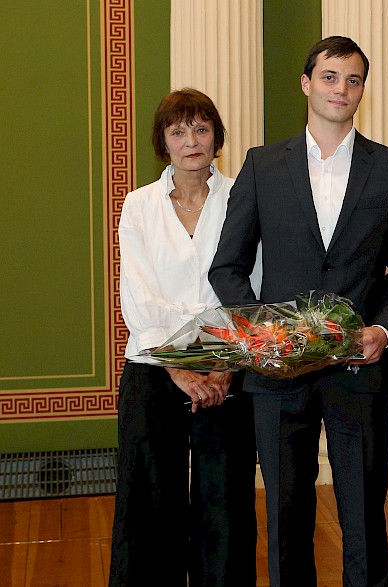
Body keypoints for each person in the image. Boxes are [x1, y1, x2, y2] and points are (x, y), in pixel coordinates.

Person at [209, 36, 388, 586]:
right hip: (279, 373)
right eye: (330, 77)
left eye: (352, 80)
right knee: (285, 516)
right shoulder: (261, 166)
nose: (340, 89)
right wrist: (264, 333)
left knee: (364, 515)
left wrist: (382, 328)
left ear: (362, 92)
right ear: (307, 84)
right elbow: (226, 267)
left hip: (358, 368)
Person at [110, 88, 257, 586]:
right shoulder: (139, 206)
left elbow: (253, 289)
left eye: (201, 129)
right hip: (154, 367)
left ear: (217, 137)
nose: (190, 140)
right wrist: (177, 367)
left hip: (227, 367)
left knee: (226, 503)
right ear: (163, 142)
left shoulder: (244, 197)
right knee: (150, 501)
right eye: (178, 131)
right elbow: (139, 294)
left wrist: (222, 366)